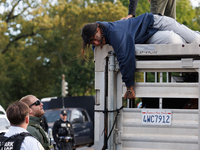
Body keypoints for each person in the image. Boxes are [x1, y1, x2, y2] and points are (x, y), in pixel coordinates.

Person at [81, 13, 200, 100]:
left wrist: (129, 87)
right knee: (174, 41)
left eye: (95, 39)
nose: (96, 43)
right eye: (92, 43)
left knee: (195, 40)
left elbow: (125, 58)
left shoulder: (115, 34)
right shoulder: (102, 34)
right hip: (148, 35)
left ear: (98, 29)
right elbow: (98, 53)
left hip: (157, 22)